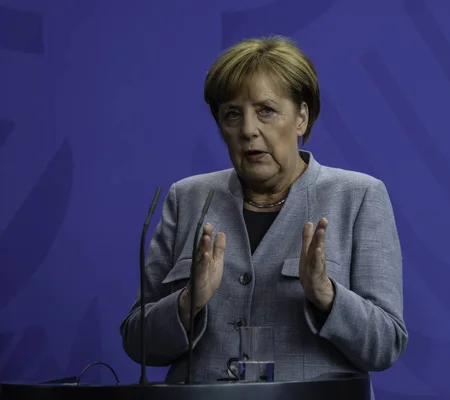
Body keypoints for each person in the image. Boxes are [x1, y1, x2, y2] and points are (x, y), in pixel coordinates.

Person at [120, 35, 408, 388]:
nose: (248, 130)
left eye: (266, 111)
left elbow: (386, 345)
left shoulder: (359, 196)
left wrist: (326, 295)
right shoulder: (187, 198)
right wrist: (186, 303)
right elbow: (137, 342)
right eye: (232, 115)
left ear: (301, 117)